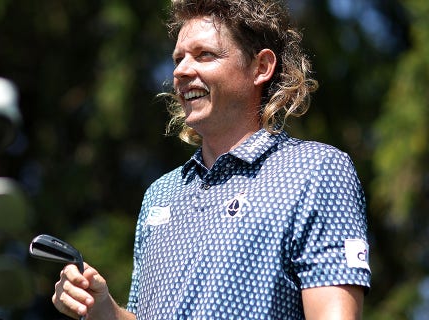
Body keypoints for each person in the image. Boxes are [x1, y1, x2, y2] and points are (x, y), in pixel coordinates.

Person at [52, 0, 371, 318]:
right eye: (178, 58)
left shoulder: (315, 171)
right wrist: (104, 310)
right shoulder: (159, 195)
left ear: (260, 67)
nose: (180, 71)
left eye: (204, 55)